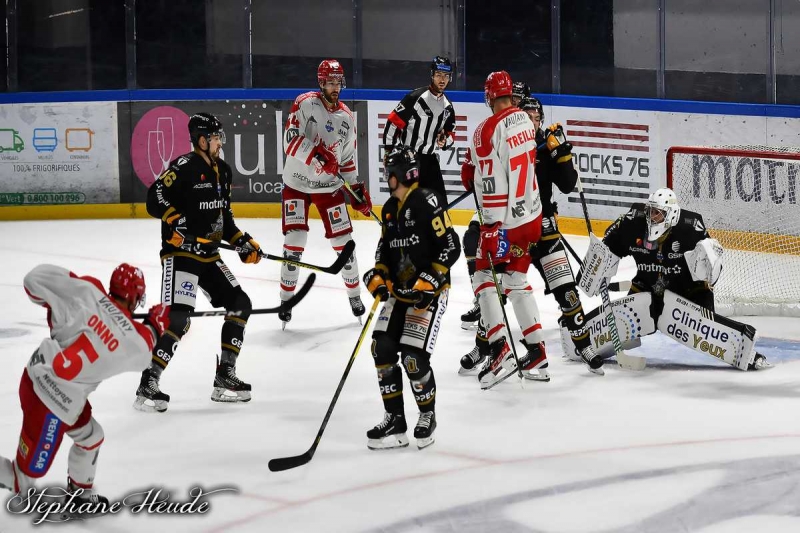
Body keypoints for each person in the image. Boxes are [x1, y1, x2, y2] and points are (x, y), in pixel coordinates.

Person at [459, 96, 604, 376]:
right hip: (514, 228)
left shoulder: (545, 146)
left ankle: (583, 344)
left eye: (536, 115)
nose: (531, 120)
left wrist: (562, 153)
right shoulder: (509, 144)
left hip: (542, 228)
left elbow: (569, 183)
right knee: (497, 290)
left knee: (566, 291)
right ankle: (486, 346)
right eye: (527, 114)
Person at [0, 264, 167, 507]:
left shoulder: (87, 289)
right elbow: (145, 353)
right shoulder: (134, 337)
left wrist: (57, 303)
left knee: (91, 436)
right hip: (51, 407)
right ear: (135, 298)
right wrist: (156, 324)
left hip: (38, 379)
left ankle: (81, 498)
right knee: (22, 483)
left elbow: (32, 280)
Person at [135, 112, 262, 412]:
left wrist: (242, 241)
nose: (220, 142)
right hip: (181, 255)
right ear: (202, 140)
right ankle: (149, 380)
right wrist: (175, 221)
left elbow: (223, 220)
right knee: (179, 319)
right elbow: (155, 197)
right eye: (216, 137)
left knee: (240, 303)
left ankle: (224, 376)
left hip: (209, 255)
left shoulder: (224, 172)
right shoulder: (183, 166)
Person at [575, 187, 771, 371]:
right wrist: (597, 266)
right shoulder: (632, 223)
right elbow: (607, 247)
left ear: (671, 214)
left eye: (658, 213)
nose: (652, 217)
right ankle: (583, 344)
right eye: (650, 211)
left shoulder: (690, 229)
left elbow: (712, 272)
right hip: (647, 287)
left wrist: (708, 260)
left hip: (687, 291)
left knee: (704, 330)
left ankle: (746, 354)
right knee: (628, 321)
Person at [362, 145, 461, 450]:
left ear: (399, 174)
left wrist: (428, 281)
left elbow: (451, 245)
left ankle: (426, 415)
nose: (385, 176)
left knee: (413, 358)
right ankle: (395, 419)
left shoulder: (426, 201)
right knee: (382, 346)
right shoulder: (391, 208)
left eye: (388, 171)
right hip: (399, 291)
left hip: (427, 295)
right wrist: (378, 273)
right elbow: (385, 248)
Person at [459, 71, 546, 390]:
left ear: (489, 96)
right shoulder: (525, 119)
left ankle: (500, 350)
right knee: (516, 280)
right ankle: (536, 351)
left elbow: (494, 184)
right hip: (532, 218)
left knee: (483, 278)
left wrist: (493, 227)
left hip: (506, 223)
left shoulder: (486, 129)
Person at [279, 59, 372, 328]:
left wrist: (356, 191)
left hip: (328, 187)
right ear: (321, 83)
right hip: (296, 182)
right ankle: (286, 299)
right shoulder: (304, 103)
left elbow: (348, 161)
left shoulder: (347, 117)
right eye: (330, 82)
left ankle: (354, 295)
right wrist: (318, 154)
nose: (335, 87)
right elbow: (289, 139)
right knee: (295, 242)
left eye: (338, 82)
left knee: (345, 243)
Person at [382, 56, 457, 197]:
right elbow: (393, 123)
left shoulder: (448, 107)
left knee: (440, 205)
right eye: (439, 75)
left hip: (430, 161)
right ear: (432, 75)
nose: (442, 79)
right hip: (408, 158)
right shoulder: (415, 98)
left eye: (446, 76)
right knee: (407, 205)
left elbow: (451, 134)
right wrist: (388, 151)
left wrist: (445, 140)